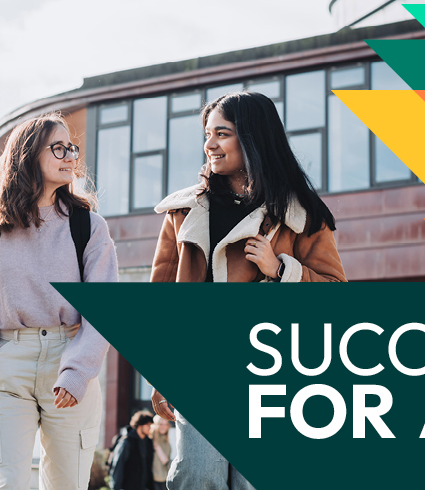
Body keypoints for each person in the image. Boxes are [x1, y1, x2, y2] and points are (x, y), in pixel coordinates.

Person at [149, 91, 347, 489]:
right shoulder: (184, 212)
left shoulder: (302, 216)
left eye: (221, 134)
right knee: (195, 473)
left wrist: (281, 270)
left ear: (253, 138)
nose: (209, 145)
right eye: (207, 134)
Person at [0, 114, 117, 490]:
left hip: (70, 359)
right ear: (28, 155)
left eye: (71, 148)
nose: (70, 155)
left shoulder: (88, 226)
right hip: (9, 361)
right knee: (7, 484)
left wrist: (77, 371)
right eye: (58, 147)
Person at [109, 411, 156, 490]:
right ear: (139, 425)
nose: (150, 428)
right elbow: (118, 465)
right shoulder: (127, 441)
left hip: (144, 486)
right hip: (128, 486)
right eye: (147, 425)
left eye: (150, 425)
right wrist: (116, 487)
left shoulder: (148, 442)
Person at [150, 415, 172, 490]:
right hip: (151, 480)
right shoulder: (149, 440)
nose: (163, 427)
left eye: (166, 424)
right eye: (161, 424)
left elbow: (167, 463)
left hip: (164, 481)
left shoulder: (167, 444)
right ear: (155, 425)